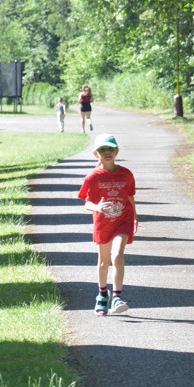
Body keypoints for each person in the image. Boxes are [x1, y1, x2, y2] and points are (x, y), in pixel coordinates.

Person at [77, 133, 138, 315]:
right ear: (96, 153)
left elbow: (130, 197)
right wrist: (97, 207)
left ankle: (117, 297)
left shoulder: (126, 174)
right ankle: (102, 294)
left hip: (123, 220)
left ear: (116, 151)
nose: (107, 152)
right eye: (103, 149)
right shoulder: (93, 177)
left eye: (110, 148)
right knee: (104, 262)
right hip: (103, 223)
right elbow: (86, 202)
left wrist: (135, 217)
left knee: (117, 256)